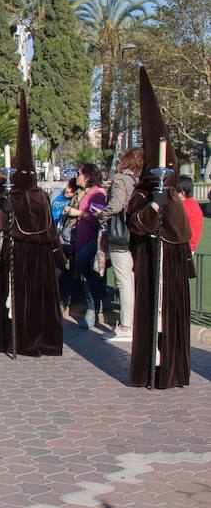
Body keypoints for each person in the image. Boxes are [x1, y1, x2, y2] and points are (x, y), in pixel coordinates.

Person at [127, 68, 193, 389]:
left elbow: (181, 233)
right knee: (153, 315)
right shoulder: (141, 194)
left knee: (171, 318)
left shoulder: (174, 197)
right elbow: (137, 226)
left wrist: (167, 203)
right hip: (152, 268)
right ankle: (150, 369)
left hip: (172, 271)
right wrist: (153, 205)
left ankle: (171, 369)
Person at [0, 92, 65, 357]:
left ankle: (18, 341)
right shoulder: (41, 196)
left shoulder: (12, 195)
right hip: (41, 258)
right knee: (40, 300)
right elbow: (49, 228)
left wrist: (6, 209)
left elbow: (1, 226)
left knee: (20, 298)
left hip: (20, 255)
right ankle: (43, 340)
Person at [98, 148, 142, 339]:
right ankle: (136, 321)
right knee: (133, 279)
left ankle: (126, 325)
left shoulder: (120, 179)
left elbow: (116, 205)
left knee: (124, 280)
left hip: (120, 235)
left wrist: (102, 216)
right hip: (138, 233)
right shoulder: (142, 181)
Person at [66, 163, 107, 329]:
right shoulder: (85, 194)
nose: (77, 177)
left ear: (88, 176)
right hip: (83, 239)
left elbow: (97, 217)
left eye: (79, 174)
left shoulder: (97, 195)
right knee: (89, 273)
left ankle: (94, 308)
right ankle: (96, 307)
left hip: (93, 241)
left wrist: (77, 213)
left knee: (92, 271)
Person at [55, 177, 80, 314]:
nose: (67, 189)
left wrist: (75, 212)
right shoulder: (62, 197)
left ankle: (66, 299)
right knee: (61, 267)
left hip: (74, 239)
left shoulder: (80, 198)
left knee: (73, 271)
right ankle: (62, 297)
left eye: (70, 187)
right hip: (63, 238)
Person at [177, 175, 203, 253]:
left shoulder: (186, 206)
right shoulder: (192, 204)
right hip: (187, 247)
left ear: (182, 194)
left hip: (184, 248)